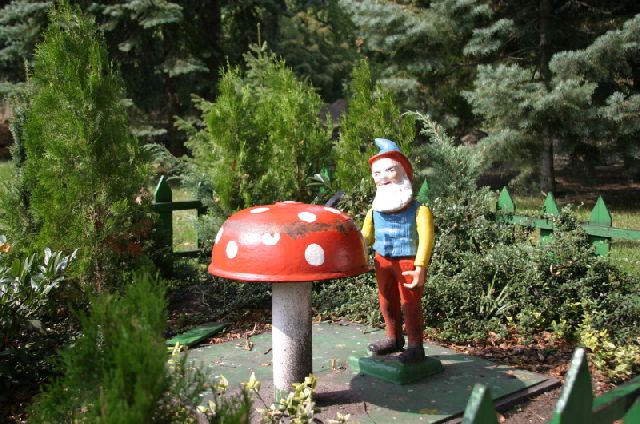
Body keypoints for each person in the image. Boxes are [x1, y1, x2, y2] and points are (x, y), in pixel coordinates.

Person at [361, 138, 435, 364]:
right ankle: (393, 338)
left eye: (389, 170)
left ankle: (415, 345)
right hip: (382, 260)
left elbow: (426, 239)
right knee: (386, 300)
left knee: (410, 304)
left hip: (407, 262)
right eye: (376, 173)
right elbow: (366, 236)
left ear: (403, 172)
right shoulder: (374, 211)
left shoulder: (419, 210)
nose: (382, 177)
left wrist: (420, 267)